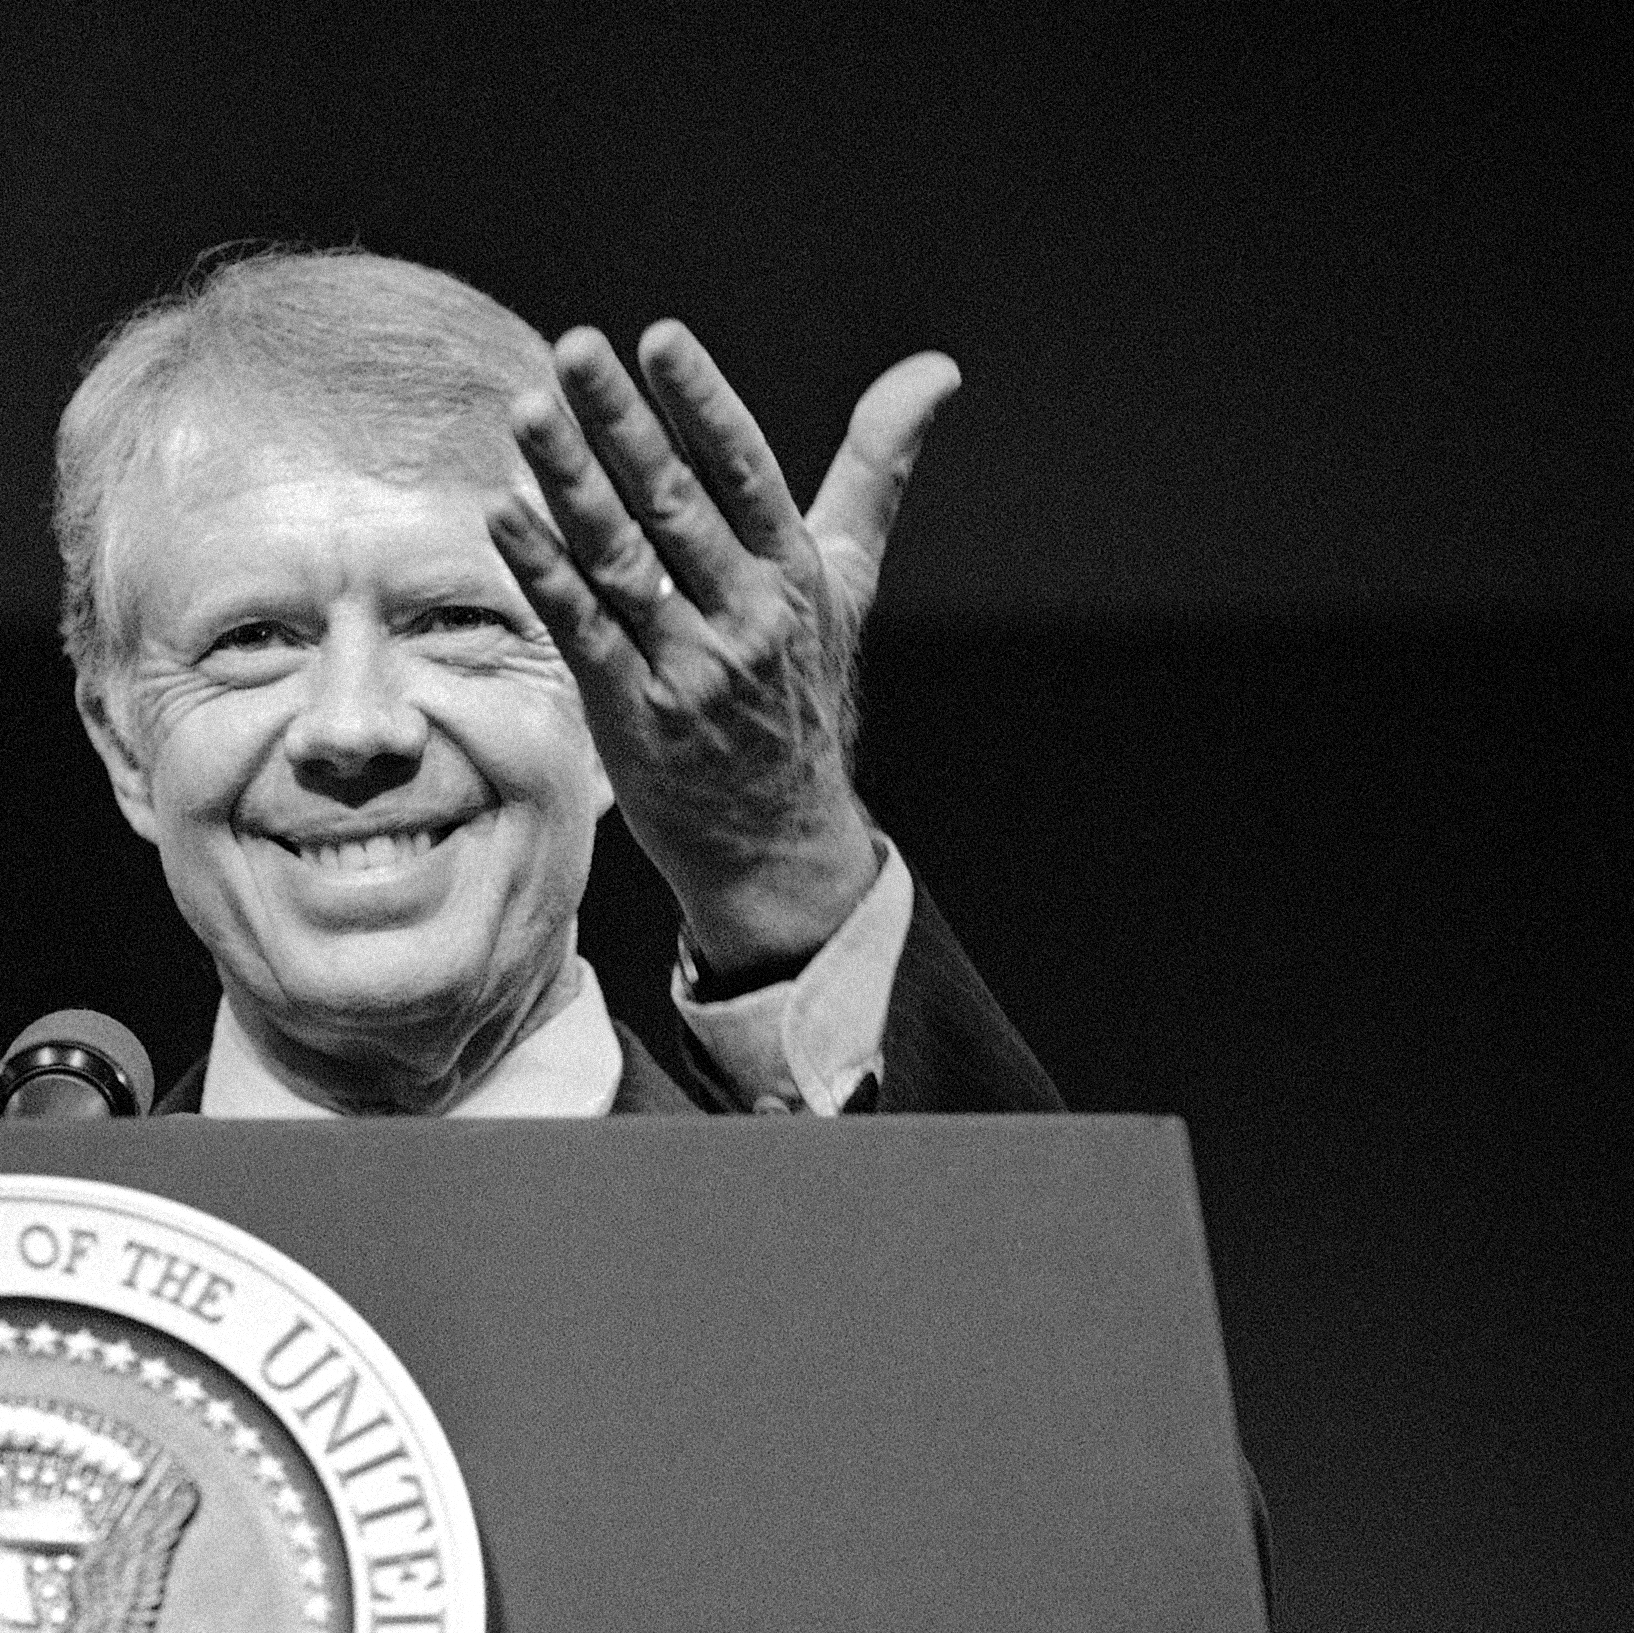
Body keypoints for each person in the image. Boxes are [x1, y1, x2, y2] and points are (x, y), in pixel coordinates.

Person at [52, 248, 1061, 1117]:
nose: (353, 726)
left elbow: (1044, 1288)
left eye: (455, 621)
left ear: (605, 708)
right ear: (124, 744)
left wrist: (784, 870)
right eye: (253, 639)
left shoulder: (803, 1245)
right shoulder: (7, 1279)